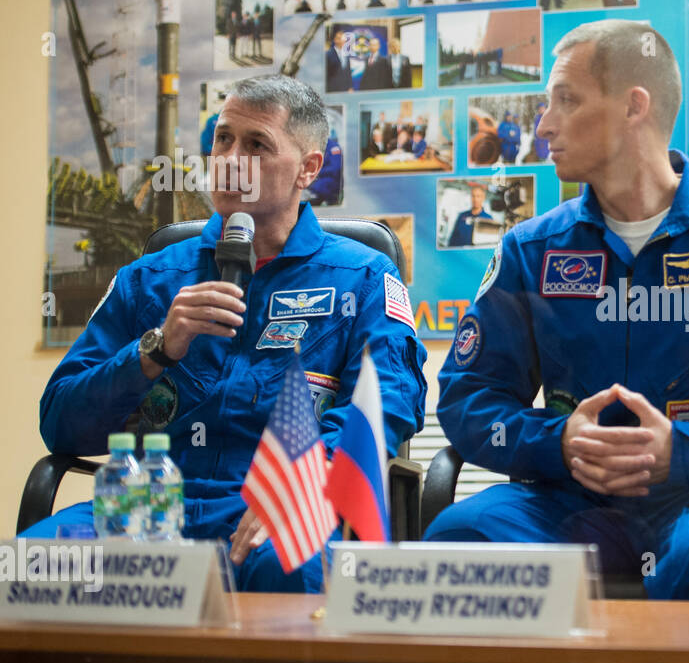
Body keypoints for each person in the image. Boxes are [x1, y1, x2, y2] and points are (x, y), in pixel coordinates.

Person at [424, 21, 689, 599]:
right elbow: (466, 395)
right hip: (569, 496)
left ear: (635, 107)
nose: (544, 125)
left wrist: (686, 450)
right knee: (459, 542)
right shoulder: (530, 251)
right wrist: (558, 443)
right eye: (545, 105)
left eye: (567, 101)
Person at [24, 74, 428, 592]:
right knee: (33, 568)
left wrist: (302, 485)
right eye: (223, 139)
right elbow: (60, 425)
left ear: (309, 168)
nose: (231, 159)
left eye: (257, 145)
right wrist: (155, 350)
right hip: (147, 502)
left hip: (272, 500)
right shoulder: (149, 278)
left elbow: (387, 404)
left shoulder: (364, 277)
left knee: (291, 569)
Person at [307, 126, 343, 205]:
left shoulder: (334, 148)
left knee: (313, 191)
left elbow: (336, 168)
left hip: (330, 180)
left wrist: (318, 172)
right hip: (317, 179)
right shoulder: (316, 147)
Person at [325, 28, 352, 93]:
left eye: (343, 38)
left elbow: (348, 72)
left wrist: (350, 87)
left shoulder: (346, 55)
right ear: (335, 40)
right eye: (339, 38)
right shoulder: (328, 55)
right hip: (333, 90)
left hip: (345, 90)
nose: (342, 40)